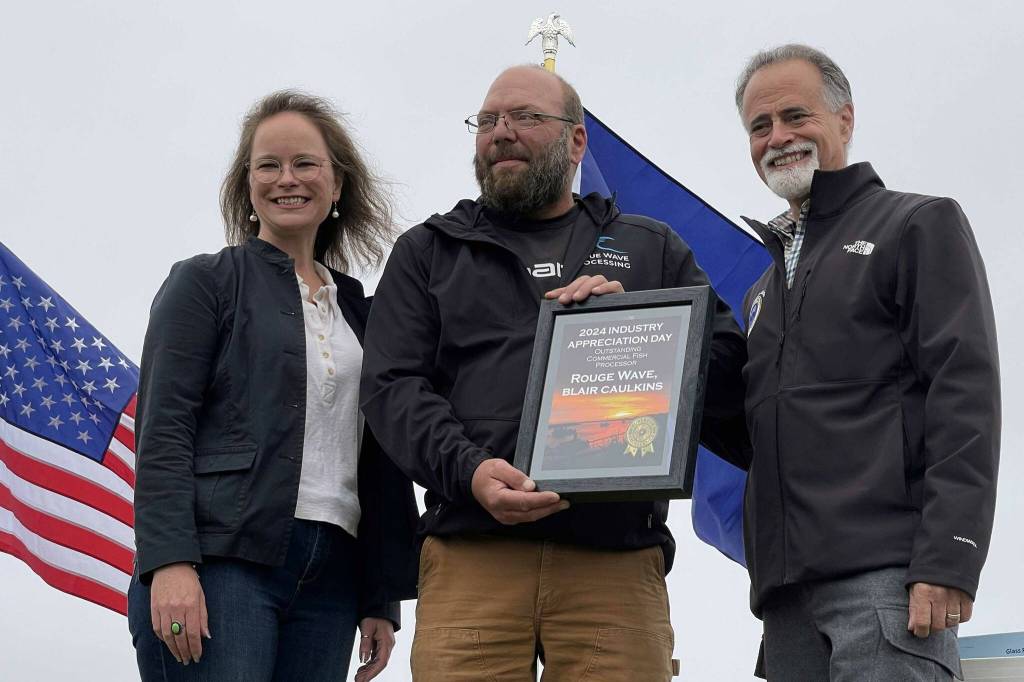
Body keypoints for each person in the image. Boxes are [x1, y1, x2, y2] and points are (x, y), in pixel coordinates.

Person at [360, 64, 748, 681]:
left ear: (576, 140)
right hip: (471, 556)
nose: (501, 132)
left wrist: (644, 324)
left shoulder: (651, 248)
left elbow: (729, 378)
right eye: (488, 120)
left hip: (616, 563)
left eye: (525, 117)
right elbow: (392, 388)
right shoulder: (427, 251)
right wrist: (470, 470)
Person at [128, 90, 418, 681]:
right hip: (221, 564)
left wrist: (379, 596)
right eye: (268, 165)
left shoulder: (361, 313)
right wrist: (170, 563)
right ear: (248, 183)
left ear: (337, 184)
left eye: (305, 163)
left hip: (334, 577)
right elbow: (163, 431)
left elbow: (378, 458)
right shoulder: (204, 283)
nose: (287, 178)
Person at [733, 44, 1000, 680]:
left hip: (889, 582)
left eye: (796, 116)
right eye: (760, 126)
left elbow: (964, 393)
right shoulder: (760, 291)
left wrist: (950, 556)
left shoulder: (916, 224)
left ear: (845, 118)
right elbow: (742, 427)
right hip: (784, 600)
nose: (778, 137)